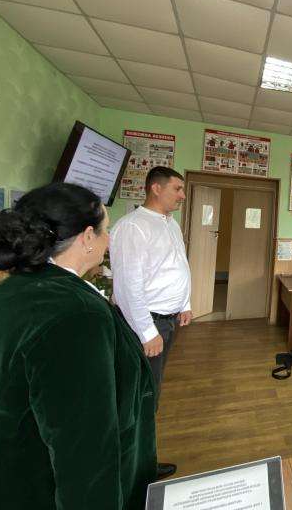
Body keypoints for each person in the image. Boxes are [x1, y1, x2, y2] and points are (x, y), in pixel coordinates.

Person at [0, 183, 157, 510]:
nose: (109, 240)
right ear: (88, 237)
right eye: (106, 230)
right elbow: (85, 452)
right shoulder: (76, 315)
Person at [110, 166, 191, 479]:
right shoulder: (133, 227)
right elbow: (127, 286)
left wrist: (184, 304)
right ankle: (132, 469)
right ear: (156, 188)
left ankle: (140, 460)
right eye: (177, 189)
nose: (182, 196)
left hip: (167, 322)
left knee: (149, 394)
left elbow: (178, 265)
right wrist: (147, 332)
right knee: (140, 396)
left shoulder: (171, 223)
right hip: (147, 324)